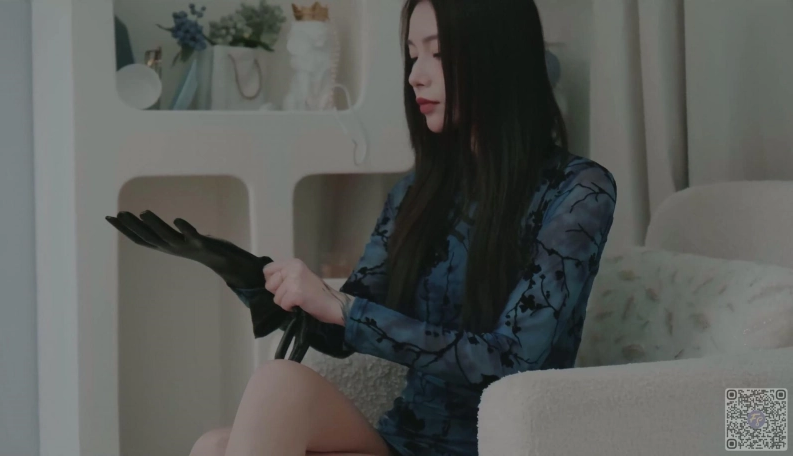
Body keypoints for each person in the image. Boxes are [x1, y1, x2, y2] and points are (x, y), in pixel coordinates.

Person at [190, 0, 617, 455]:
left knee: (275, 385)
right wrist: (253, 278)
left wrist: (345, 309)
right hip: (403, 442)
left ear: (499, 55)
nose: (416, 75)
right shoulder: (416, 192)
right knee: (215, 445)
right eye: (413, 55)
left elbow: (512, 359)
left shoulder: (579, 191)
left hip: (491, 447)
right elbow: (342, 332)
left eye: (438, 53)